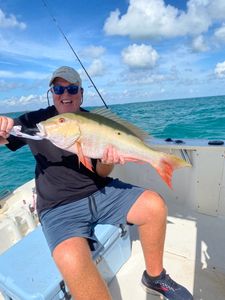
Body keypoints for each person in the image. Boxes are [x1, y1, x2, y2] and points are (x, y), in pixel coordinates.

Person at [0, 66, 193, 300]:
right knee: (73, 263)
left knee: (154, 206)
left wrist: (106, 161)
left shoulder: (94, 123)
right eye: (59, 88)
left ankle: (155, 277)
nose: (65, 94)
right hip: (58, 207)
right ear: (52, 92)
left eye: (72, 88)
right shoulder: (35, 121)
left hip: (100, 191)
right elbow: (6, 136)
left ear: (81, 93)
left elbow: (101, 173)